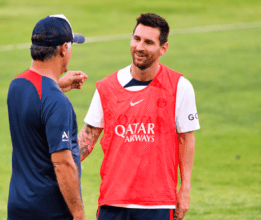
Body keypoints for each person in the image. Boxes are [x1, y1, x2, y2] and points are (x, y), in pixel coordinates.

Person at [78, 13, 200, 220]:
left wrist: (185, 188)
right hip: (113, 200)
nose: (139, 47)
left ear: (163, 48)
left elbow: (186, 139)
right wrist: (56, 164)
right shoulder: (106, 88)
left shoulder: (180, 86)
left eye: (149, 42)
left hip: (159, 202)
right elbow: (87, 139)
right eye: (136, 39)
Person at [7, 14, 88, 220]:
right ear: (63, 49)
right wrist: (78, 214)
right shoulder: (56, 102)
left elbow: (35, 102)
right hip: (51, 211)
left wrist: (57, 86)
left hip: (19, 206)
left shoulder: (17, 86)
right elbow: (62, 164)